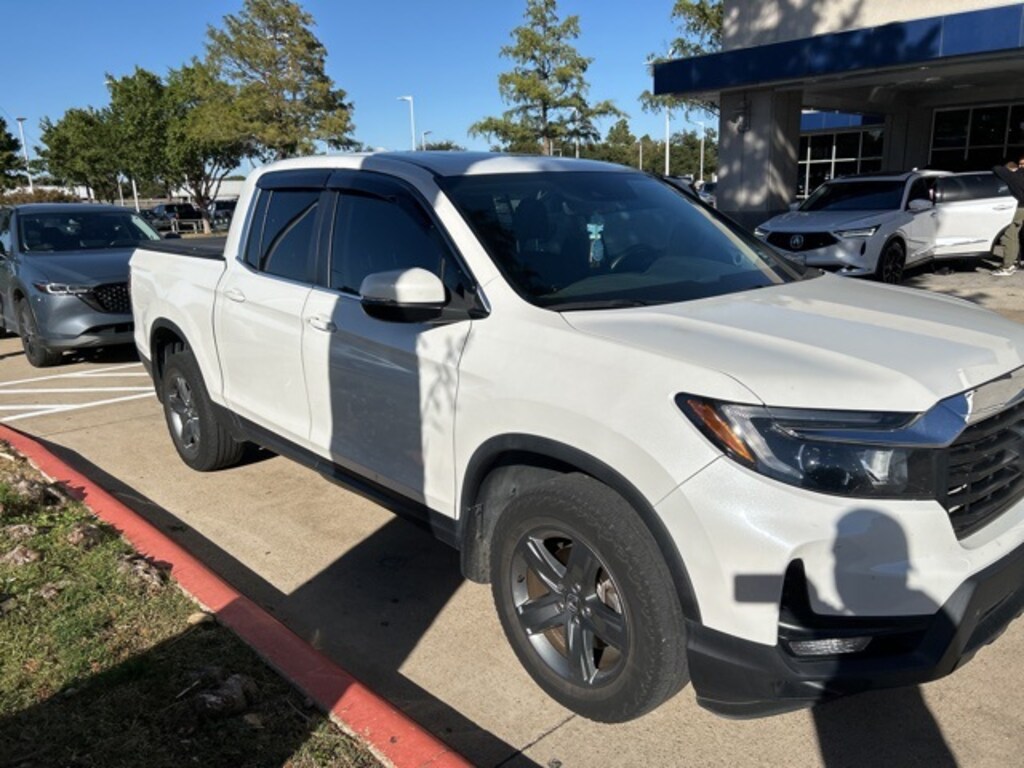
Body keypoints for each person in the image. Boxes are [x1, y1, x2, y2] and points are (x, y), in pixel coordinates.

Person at [991, 157, 1024, 275]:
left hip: (1019, 208)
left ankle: (1008, 266)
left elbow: (996, 168)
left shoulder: (1013, 176)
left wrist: (1011, 171)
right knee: (1015, 235)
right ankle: (1015, 261)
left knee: (1010, 235)